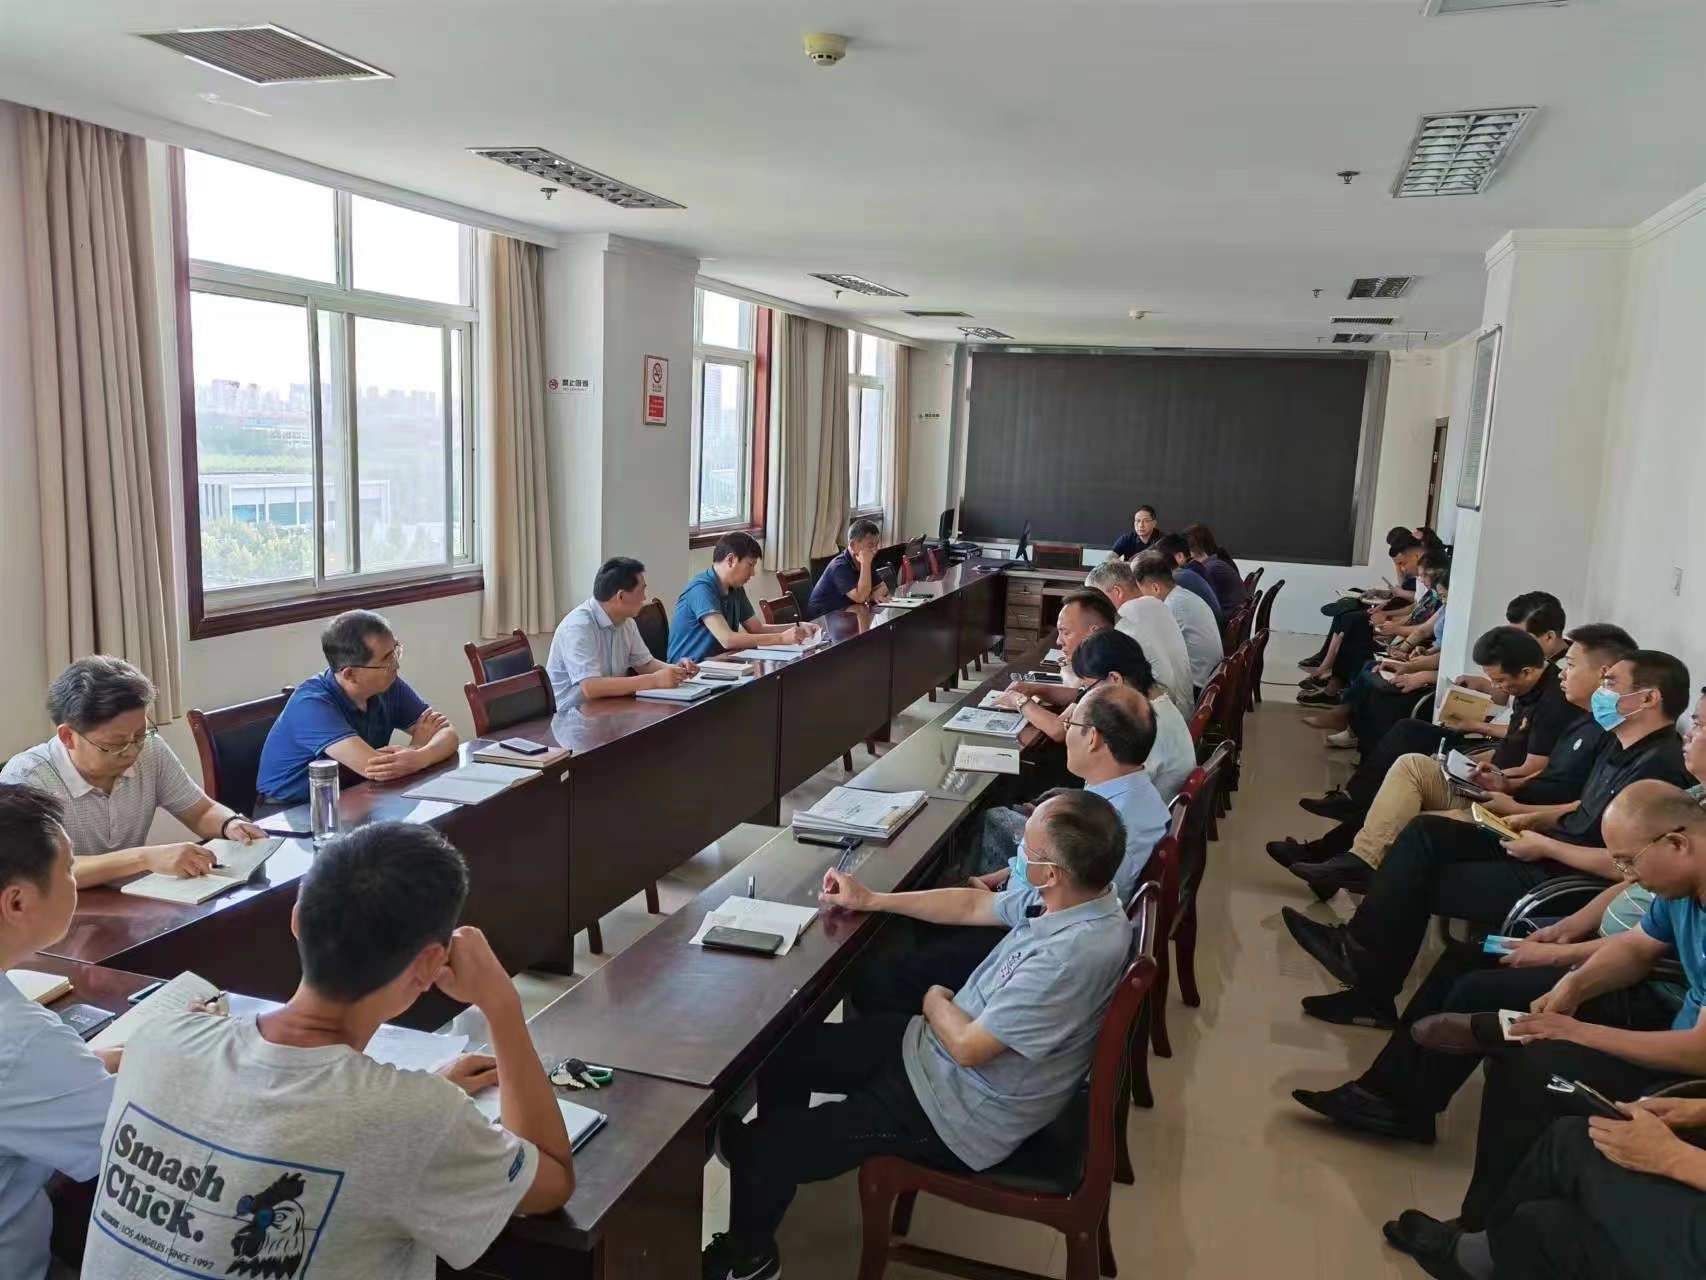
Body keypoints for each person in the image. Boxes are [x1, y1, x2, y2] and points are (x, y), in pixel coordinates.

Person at [78, 822, 576, 1279]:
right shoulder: (415, 1118)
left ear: (296, 920)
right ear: (430, 964)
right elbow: (551, 1179)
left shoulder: (157, 1038)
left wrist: (419, 1105)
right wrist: (501, 1005)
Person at [705, 791, 1133, 1280]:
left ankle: (750, 1248)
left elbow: (970, 1047)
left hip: (957, 1110)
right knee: (785, 1053)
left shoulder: (1070, 956)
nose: (1017, 853)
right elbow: (974, 905)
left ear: (1051, 872)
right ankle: (774, 1170)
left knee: (765, 1148)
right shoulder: (1077, 897)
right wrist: (872, 899)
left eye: (1026, 849)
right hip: (930, 1053)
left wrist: (933, 1000)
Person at [1290, 700, 1706, 1149]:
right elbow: (1636, 918)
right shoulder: (1689, 806)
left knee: (1482, 994)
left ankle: (1400, 1097)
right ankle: (1383, 1084)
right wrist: (1568, 953)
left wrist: (1565, 971)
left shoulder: (1669, 804)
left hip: (1652, 982)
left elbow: (1626, 885)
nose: (1691, 731)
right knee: (1463, 957)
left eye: (1701, 724)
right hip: (1605, 944)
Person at [1378, 780, 1706, 1260]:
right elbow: (1637, 947)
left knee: (1542, 1067)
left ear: (1677, 844)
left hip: (1691, 1074)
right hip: (1679, 1042)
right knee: (1524, 1055)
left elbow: (1699, 1051)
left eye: (1629, 863)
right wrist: (1574, 985)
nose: (1628, 879)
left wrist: (1577, 1031)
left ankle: (1489, 1245)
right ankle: (1482, 1229)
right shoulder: (1682, 889)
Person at [1281, 648, 1695, 1028]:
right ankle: (1361, 961)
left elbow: (1627, 865)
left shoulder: (1659, 769)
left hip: (1565, 876)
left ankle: (1366, 979)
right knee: (1424, 833)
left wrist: (1545, 843)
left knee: (1412, 880)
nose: (1602, 691)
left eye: (1611, 683)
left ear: (1647, 699)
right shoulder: (1619, 743)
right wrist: (1533, 818)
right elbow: (1583, 807)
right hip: (1546, 846)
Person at [856, 685, 1166, 1017]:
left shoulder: (1113, 824)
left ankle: (906, 1037)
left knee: (876, 968)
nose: (1065, 731)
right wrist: (1001, 878)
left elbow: (1056, 908)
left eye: (1071, 724)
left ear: (1093, 738)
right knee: (914, 907)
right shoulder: (1126, 794)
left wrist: (999, 896)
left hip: (1016, 940)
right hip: (1015, 905)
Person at [1285, 626, 1577, 897]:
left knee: (1399, 806)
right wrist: (1466, 763)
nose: (1495, 686)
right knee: (1409, 766)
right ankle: (1351, 859)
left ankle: (1337, 859)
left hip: (1503, 797)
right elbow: (1512, 745)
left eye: (1499, 681)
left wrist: (1496, 776)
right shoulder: (1528, 690)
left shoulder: (1553, 703)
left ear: (1526, 672)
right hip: (1491, 775)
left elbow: (1532, 769)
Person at [1, 657, 268, 888]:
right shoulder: (27, 779)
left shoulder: (150, 750)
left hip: (131, 900)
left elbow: (199, 810)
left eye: (139, 735)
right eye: (115, 744)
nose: (131, 751)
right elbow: (42, 872)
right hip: (60, 916)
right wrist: (144, 858)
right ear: (68, 737)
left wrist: (230, 824)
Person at [0, 786, 120, 1280]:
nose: (74, 880)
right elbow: (129, 1138)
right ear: (17, 902)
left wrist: (96, 1062)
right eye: (68, 868)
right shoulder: (21, 1040)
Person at [256, 611, 459, 806]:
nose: (396, 665)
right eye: (386, 659)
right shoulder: (311, 705)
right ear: (350, 674)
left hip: (355, 794)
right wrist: (417, 747)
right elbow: (376, 768)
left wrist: (419, 756)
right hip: (292, 810)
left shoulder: (388, 685)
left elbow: (447, 733)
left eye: (396, 651)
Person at [547, 556, 698, 709]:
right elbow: (591, 687)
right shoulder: (578, 627)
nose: (644, 597)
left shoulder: (627, 622)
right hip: (571, 714)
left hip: (608, 706)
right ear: (621, 596)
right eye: (641, 591)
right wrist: (655, 680)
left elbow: (645, 664)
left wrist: (676, 670)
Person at [1071, 630, 1195, 801]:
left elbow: (1109, 794)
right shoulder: (1156, 707)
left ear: (1115, 679)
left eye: (1088, 688)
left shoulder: (1145, 727)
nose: (1087, 696)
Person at [668, 531, 820, 664]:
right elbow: (727, 639)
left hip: (720, 665)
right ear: (730, 560)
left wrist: (798, 626)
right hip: (690, 672)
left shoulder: (736, 589)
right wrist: (781, 638)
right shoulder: (701, 589)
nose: (753, 573)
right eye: (750, 565)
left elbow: (757, 629)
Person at [993, 590, 1114, 740]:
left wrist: (1019, 701)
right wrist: (1037, 689)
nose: (1058, 641)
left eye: (1066, 633)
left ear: (1093, 633)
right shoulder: (1106, 656)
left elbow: (1060, 730)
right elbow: (1082, 696)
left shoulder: (1109, 671)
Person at [1083, 561, 1194, 711]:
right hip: (1182, 710)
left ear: (1117, 591)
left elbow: (1106, 678)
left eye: (1096, 601)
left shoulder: (1126, 617)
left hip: (1157, 716)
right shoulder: (1157, 604)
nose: (1093, 609)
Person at [1132, 551, 1223, 696]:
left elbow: (1154, 655)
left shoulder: (1172, 607)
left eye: (1140, 591)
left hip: (1198, 688)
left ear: (1155, 588)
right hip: (1210, 678)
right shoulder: (1181, 595)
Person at [806, 518, 891, 618]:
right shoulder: (839, 566)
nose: (875, 550)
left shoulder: (865, 560)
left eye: (876, 545)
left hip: (847, 612)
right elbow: (861, 597)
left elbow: (883, 587)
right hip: (824, 618)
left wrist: (873, 595)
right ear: (853, 545)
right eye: (870, 545)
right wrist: (865, 564)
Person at [1152, 533, 1225, 630]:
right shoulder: (1195, 568)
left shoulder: (1181, 576)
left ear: (1180, 556)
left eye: (1160, 559)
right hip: (1213, 628)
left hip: (1211, 630)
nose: (1158, 565)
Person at [1183, 523, 1244, 615]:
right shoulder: (1215, 563)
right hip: (1234, 613)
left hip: (1226, 617)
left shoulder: (1211, 570)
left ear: (1189, 552)